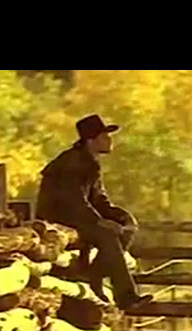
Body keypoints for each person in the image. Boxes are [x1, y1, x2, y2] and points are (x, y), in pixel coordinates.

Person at [35, 114, 153, 311]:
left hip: (79, 214)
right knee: (108, 235)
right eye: (104, 136)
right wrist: (99, 221)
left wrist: (119, 216)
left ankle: (94, 275)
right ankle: (126, 297)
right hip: (60, 217)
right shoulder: (73, 163)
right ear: (91, 140)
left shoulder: (89, 161)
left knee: (126, 226)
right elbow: (73, 201)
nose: (109, 140)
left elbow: (98, 198)